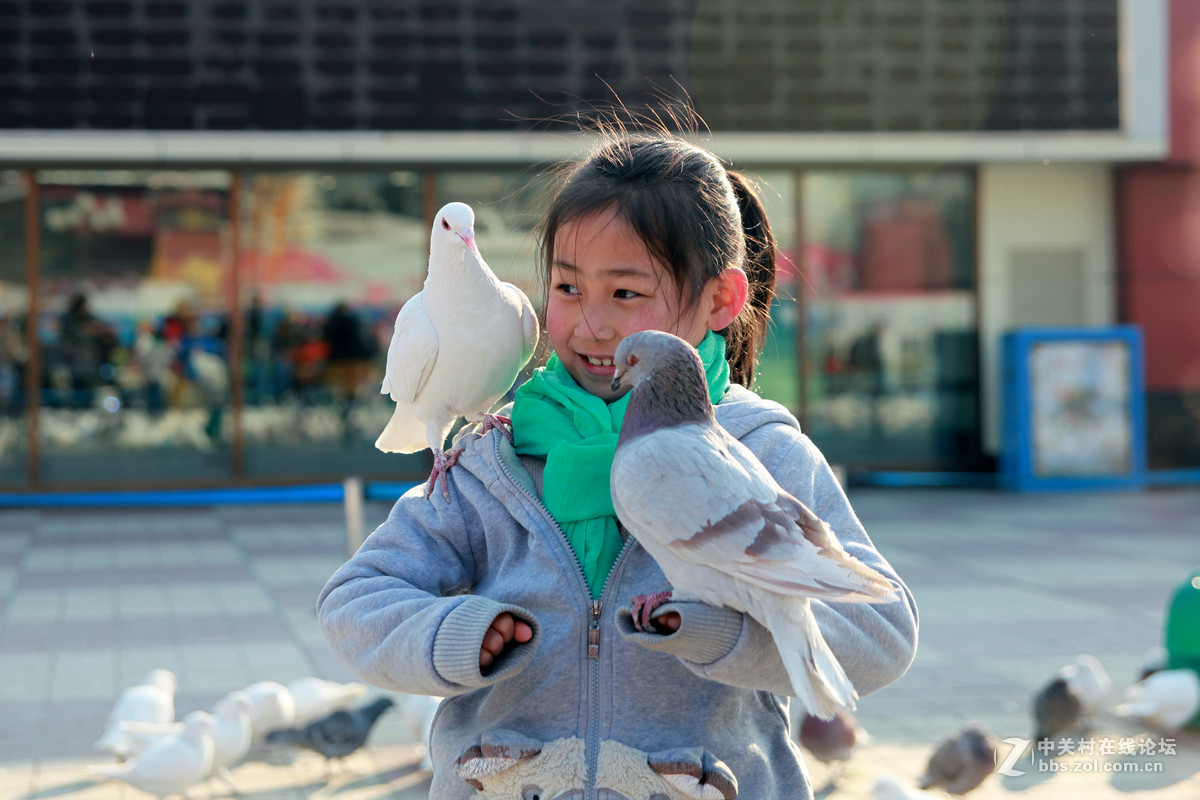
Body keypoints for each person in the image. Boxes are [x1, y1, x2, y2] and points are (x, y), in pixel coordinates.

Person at [317, 131, 918, 799]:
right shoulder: (493, 458)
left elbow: (880, 634)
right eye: (568, 287)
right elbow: (354, 602)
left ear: (721, 300)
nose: (592, 325)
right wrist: (457, 636)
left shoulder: (761, 452)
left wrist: (727, 632)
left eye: (626, 294)